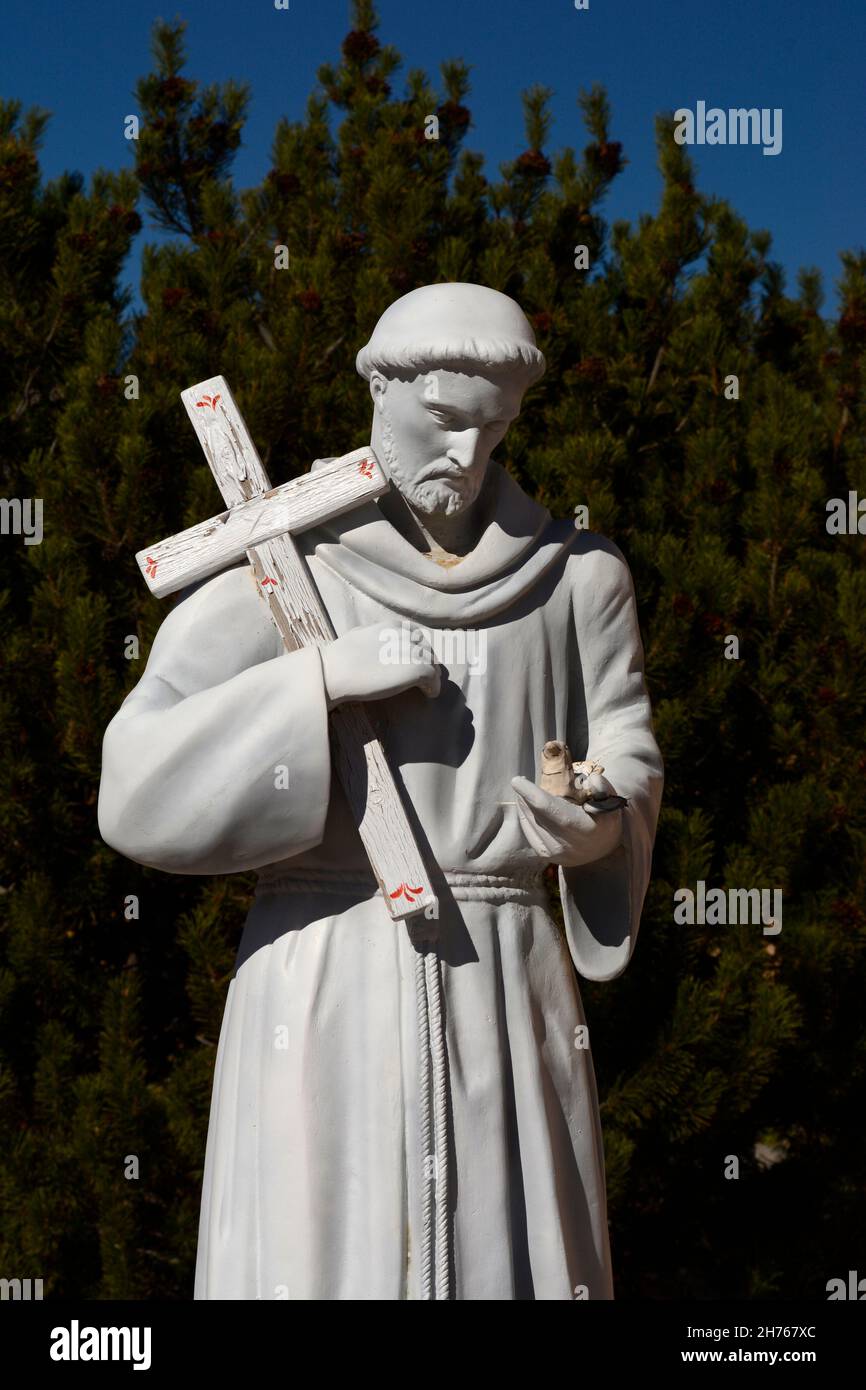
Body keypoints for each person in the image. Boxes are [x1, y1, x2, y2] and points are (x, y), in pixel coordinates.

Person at [98, 282, 663, 1300]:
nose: (467, 456)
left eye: (493, 430)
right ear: (379, 388)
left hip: (506, 971)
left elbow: (624, 757)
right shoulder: (274, 563)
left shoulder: (576, 578)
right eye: (445, 420)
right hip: (323, 974)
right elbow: (135, 782)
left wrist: (593, 824)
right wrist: (312, 682)